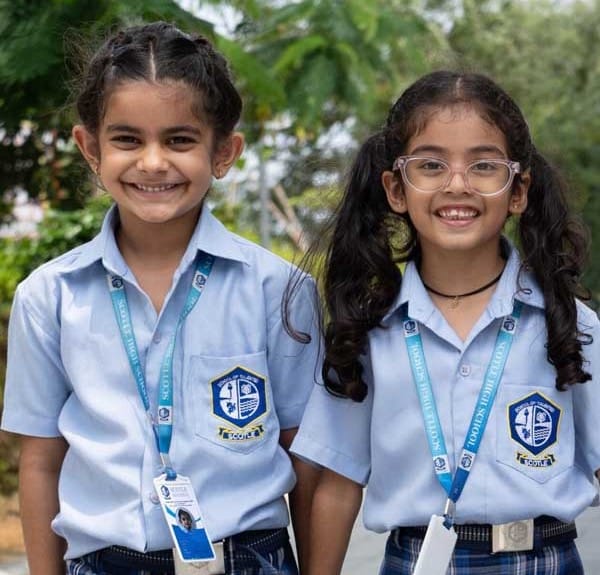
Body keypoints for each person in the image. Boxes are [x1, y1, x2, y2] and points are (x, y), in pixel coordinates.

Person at [1, 21, 319, 575]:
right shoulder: (49, 296)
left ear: (224, 152)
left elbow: (306, 457)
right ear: (90, 148)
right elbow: (41, 461)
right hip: (102, 561)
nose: (152, 162)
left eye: (179, 139)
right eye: (127, 139)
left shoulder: (279, 290)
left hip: (248, 558)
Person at [290, 70, 600, 574]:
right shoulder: (366, 332)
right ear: (395, 188)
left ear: (517, 190)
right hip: (413, 559)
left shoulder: (571, 325)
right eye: (431, 165)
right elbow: (336, 483)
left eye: (483, 165)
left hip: (545, 559)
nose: (457, 185)